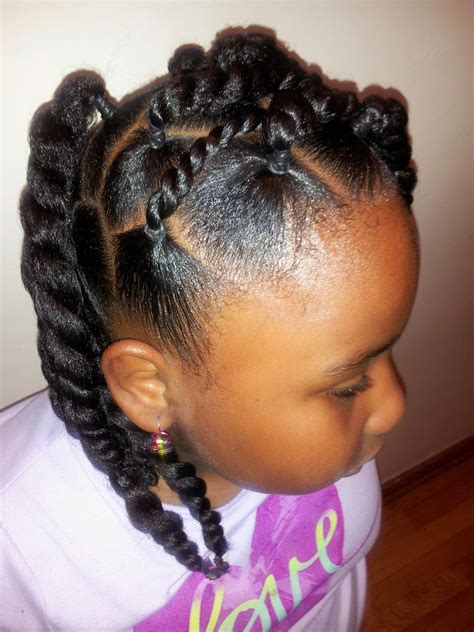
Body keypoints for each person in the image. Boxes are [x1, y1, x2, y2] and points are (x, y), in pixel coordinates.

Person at [0, 27, 419, 631]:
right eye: (348, 384)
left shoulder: (337, 439)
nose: (395, 403)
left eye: (385, 352)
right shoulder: (26, 550)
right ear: (149, 387)